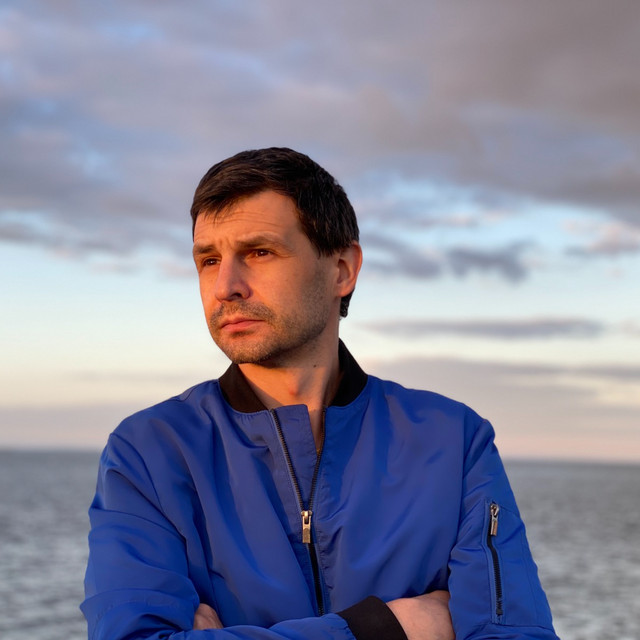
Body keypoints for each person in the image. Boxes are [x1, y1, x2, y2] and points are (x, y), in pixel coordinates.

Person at [82, 147, 559, 640]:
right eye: (209, 260)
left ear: (342, 269)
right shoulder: (150, 452)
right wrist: (390, 627)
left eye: (259, 252)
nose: (225, 286)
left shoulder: (452, 440)